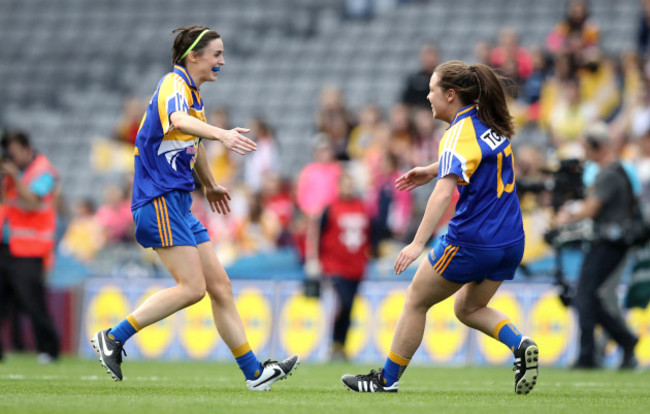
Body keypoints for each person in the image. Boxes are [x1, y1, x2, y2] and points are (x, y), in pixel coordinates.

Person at [90, 26, 299, 389]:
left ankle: (255, 374)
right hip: (158, 202)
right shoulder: (174, 85)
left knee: (220, 286)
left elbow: (191, 142)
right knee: (192, 288)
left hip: (178, 203)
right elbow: (178, 122)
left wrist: (210, 184)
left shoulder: (193, 95)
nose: (222, 61)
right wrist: (222, 133)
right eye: (216, 54)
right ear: (194, 56)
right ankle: (114, 337)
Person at [341, 61, 538, 394]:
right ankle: (520, 345)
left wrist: (417, 243)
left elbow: (444, 193)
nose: (428, 97)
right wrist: (434, 169)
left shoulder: (456, 133)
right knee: (467, 307)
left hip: (473, 240)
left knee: (416, 299)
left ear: (450, 94)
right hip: (511, 241)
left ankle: (385, 380)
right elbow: (479, 159)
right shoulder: (489, 122)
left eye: (432, 90)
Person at [555, 123, 639, 369]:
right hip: (611, 241)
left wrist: (567, 216)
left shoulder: (609, 173)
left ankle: (589, 355)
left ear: (599, 147)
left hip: (609, 243)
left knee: (584, 296)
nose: (585, 156)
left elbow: (591, 209)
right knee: (588, 297)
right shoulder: (616, 171)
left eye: (587, 149)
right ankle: (624, 340)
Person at [0, 130, 60, 363]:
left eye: (14, 153)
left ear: (26, 149)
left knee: (33, 302)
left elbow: (33, 202)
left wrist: (14, 177)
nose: (11, 158)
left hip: (30, 249)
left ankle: (48, 349)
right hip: (6, 245)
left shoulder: (44, 171)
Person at [305, 172, 371, 361]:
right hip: (334, 265)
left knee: (350, 307)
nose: (348, 188)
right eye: (345, 184)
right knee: (343, 302)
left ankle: (340, 346)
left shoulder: (362, 207)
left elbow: (370, 234)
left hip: (356, 266)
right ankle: (333, 343)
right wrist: (313, 259)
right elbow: (318, 233)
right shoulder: (330, 208)